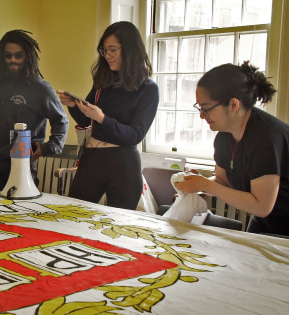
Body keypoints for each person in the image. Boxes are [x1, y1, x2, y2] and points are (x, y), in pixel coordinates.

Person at [174, 61, 289, 237]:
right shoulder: (224, 136)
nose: (202, 116)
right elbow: (222, 180)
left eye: (206, 109)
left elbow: (262, 206)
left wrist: (206, 185)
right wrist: (196, 187)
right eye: (199, 108)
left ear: (234, 105)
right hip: (265, 220)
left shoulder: (265, 139)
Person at [57, 21, 158, 210]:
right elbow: (86, 120)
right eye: (104, 51)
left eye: (113, 50)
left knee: (117, 225)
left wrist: (102, 118)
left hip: (124, 163)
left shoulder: (149, 89)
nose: (108, 56)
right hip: (92, 157)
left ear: (130, 50)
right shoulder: (103, 82)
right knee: (73, 214)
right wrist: (73, 106)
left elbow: (135, 135)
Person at [0, 30, 69, 192]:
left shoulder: (40, 88)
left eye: (18, 56)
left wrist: (45, 149)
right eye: (8, 56)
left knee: (20, 216)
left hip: (23, 165)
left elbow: (61, 122)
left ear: (28, 57)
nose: (13, 60)